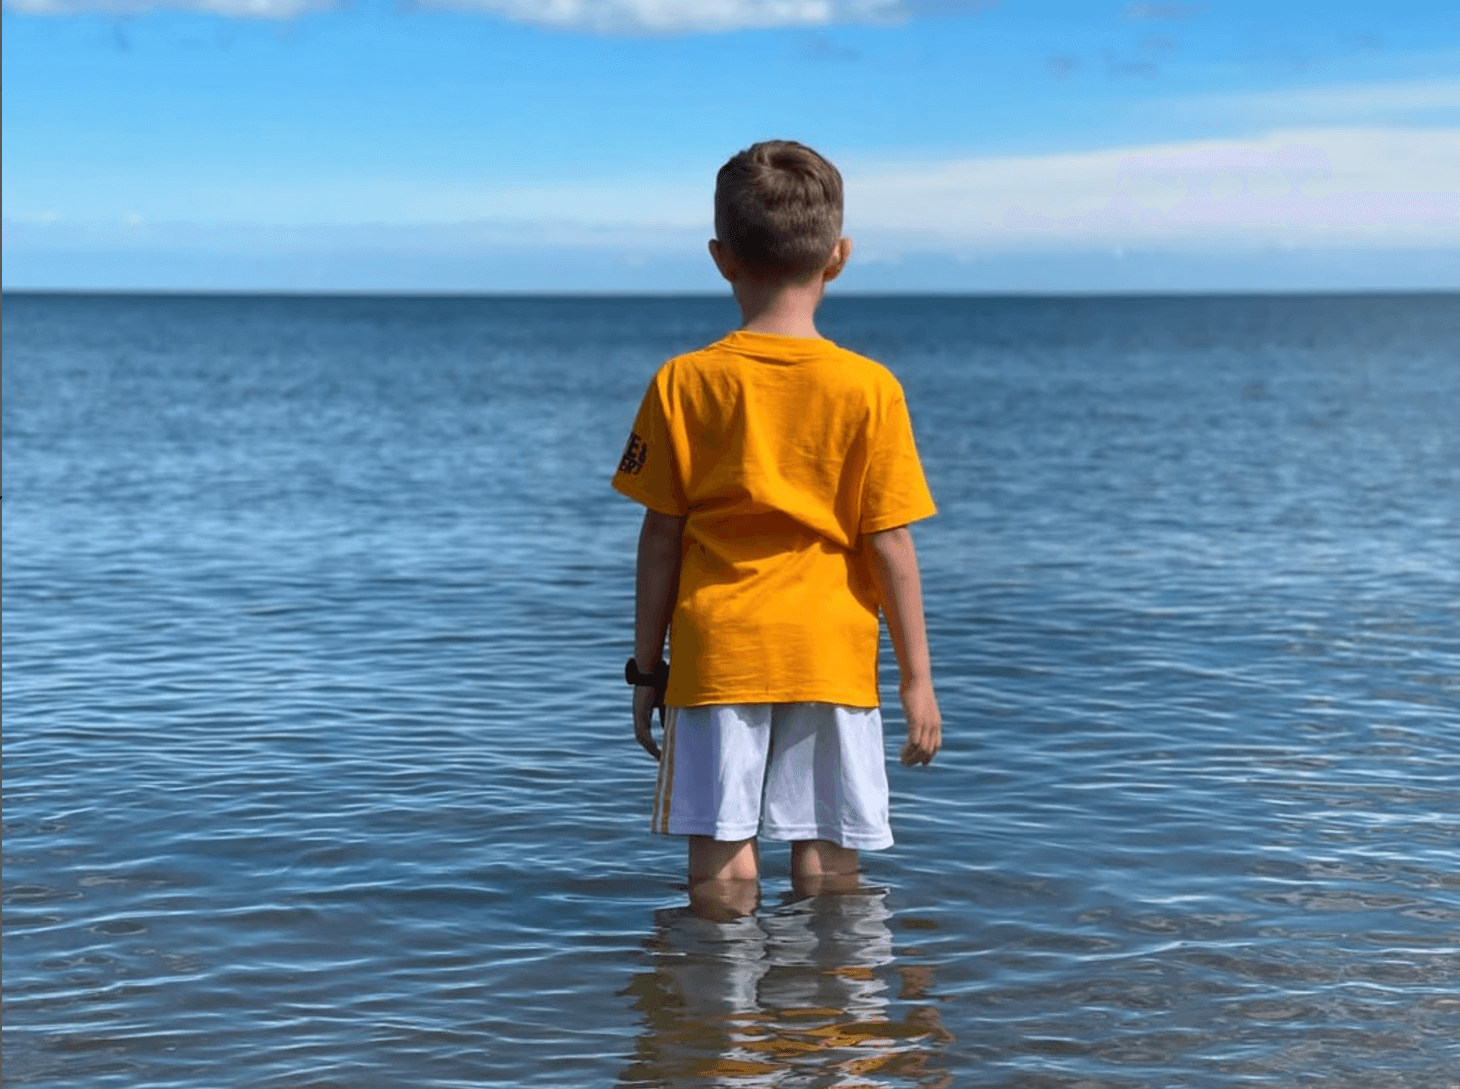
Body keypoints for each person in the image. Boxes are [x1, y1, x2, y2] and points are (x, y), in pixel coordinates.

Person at [612, 139, 941, 917]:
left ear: (721, 257)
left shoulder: (684, 381)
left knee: (721, 869)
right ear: (840, 255)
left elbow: (660, 538)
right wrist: (917, 679)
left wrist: (647, 668)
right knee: (831, 865)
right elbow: (890, 543)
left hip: (721, 647)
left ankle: (717, 1028)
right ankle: (835, 1028)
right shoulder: (870, 388)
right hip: (830, 649)